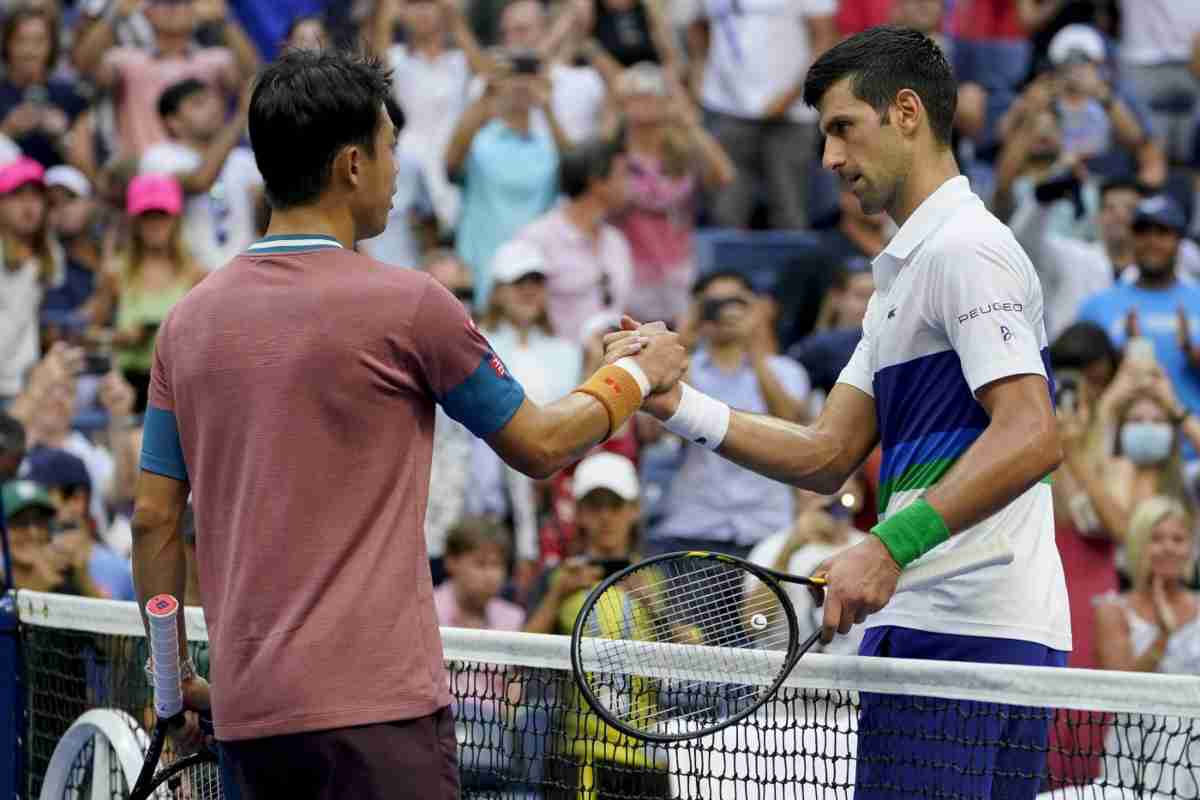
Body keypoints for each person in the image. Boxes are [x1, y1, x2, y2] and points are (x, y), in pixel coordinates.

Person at [129, 49, 686, 800]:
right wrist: (639, 372)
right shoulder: (412, 304)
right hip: (379, 718)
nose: (398, 169)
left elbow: (153, 520)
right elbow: (544, 445)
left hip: (249, 721)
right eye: (391, 148)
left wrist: (174, 686)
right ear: (353, 164)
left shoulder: (186, 323)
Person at [606, 27, 1070, 798]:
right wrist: (675, 402)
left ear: (907, 113)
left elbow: (1032, 432)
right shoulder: (899, 284)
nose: (828, 158)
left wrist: (888, 547)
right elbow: (827, 451)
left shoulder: (965, 250)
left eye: (841, 127)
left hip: (961, 633)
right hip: (964, 630)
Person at [648, 271, 811, 558]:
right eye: (713, 303)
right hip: (697, 525)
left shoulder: (786, 370)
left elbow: (793, 426)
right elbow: (671, 418)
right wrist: (683, 340)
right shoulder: (686, 370)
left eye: (736, 302)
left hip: (768, 526)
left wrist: (757, 348)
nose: (726, 311)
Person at [614, 61, 736, 325]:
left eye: (651, 94)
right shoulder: (614, 155)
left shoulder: (681, 152)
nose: (644, 102)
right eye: (636, 95)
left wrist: (688, 123)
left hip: (679, 273)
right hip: (628, 272)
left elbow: (724, 175)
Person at [446, 49, 568, 305]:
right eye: (514, 76)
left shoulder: (549, 146)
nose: (522, 84)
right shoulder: (479, 141)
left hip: (534, 280)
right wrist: (486, 94)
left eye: (529, 77)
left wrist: (548, 107)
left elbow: (576, 175)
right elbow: (450, 164)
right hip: (481, 279)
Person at [1077, 195, 1200, 431]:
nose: (1151, 241)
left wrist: (1192, 355)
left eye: (1162, 232)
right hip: (1119, 452)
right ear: (1131, 238)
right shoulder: (1097, 306)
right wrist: (1119, 361)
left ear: (1179, 241)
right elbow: (1082, 386)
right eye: (1142, 231)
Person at [511, 136, 633, 342]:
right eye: (622, 175)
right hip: (554, 366)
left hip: (610, 368)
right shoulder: (536, 239)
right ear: (597, 182)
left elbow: (620, 309)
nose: (630, 184)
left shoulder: (616, 242)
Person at [105, 173, 205, 411]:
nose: (155, 225)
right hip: (129, 386)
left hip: (180, 386)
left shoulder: (197, 275)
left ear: (175, 220)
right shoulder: (115, 273)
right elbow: (91, 334)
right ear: (135, 223)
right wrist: (121, 337)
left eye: (162, 216)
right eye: (146, 217)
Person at [141, 78, 263, 271]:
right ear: (173, 122)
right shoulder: (159, 157)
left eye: (214, 101)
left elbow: (265, 214)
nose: (213, 109)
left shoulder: (244, 159)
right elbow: (200, 180)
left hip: (245, 275)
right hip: (191, 280)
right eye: (198, 104)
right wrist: (241, 115)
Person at [0, 156, 59, 404]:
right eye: (18, 195)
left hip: (25, 387)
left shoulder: (49, 254)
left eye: (36, 196)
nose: (29, 205)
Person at [0, 5, 86, 168]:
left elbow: (90, 173)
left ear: (51, 46)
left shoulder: (71, 96)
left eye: (39, 41)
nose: (29, 51)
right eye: (21, 40)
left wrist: (62, 137)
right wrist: (7, 131)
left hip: (57, 186)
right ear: (7, 44)